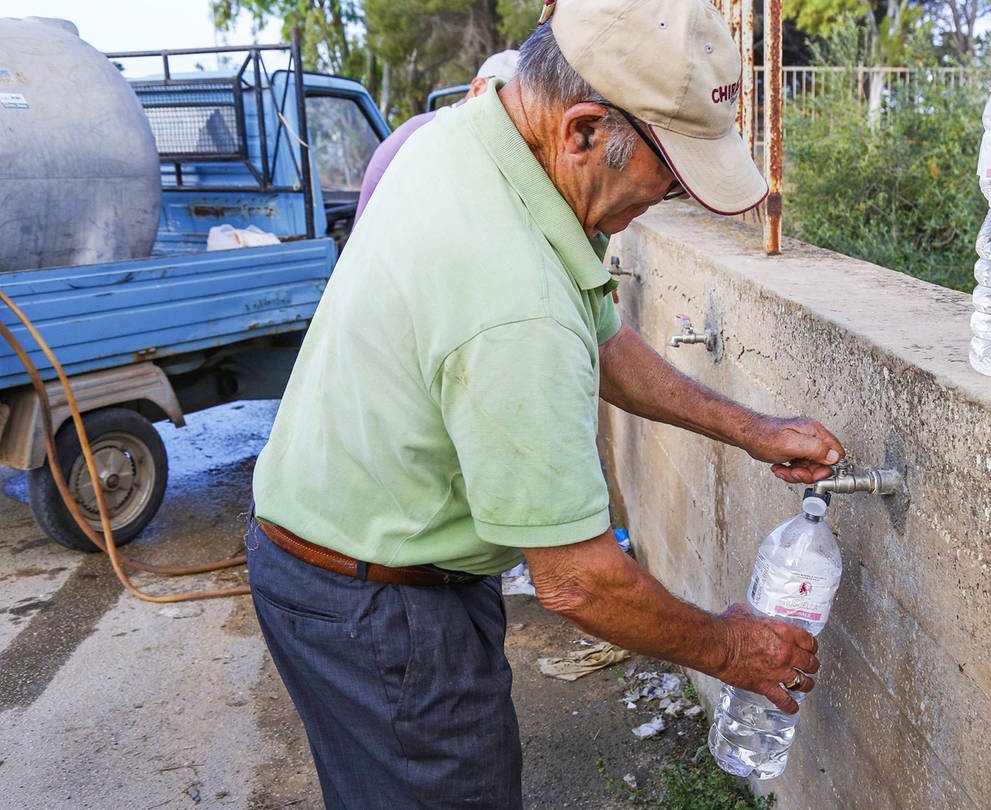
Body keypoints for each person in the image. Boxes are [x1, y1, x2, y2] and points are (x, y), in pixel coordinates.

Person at [244, 0, 846, 806]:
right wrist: (734, 649)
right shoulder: (512, 300)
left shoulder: (483, 129)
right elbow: (579, 582)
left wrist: (751, 430)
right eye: (664, 178)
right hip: (378, 605)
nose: (664, 201)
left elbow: (596, 336)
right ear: (584, 130)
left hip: (348, 556)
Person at [354, 49, 519, 220]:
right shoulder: (431, 132)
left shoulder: (467, 134)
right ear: (477, 88)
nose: (508, 116)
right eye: (502, 100)